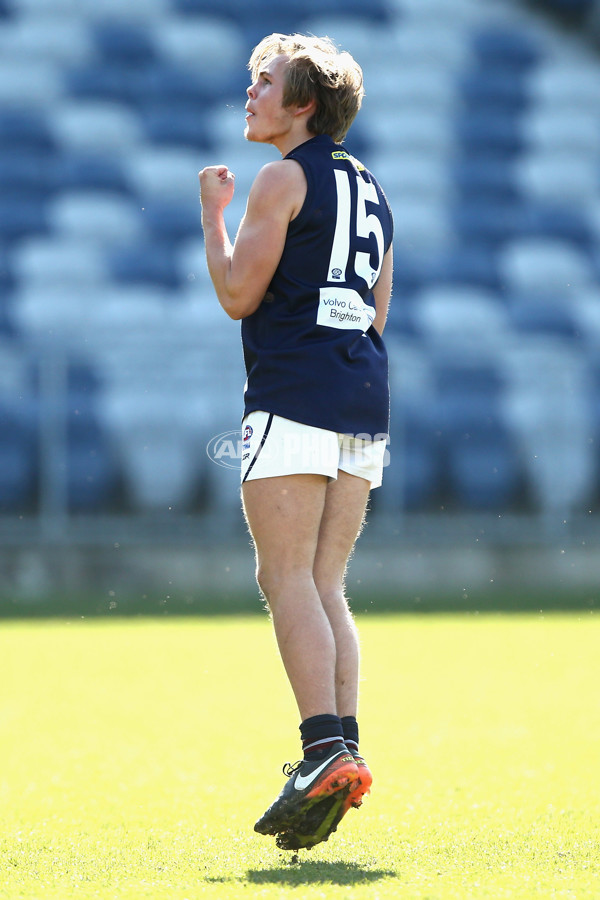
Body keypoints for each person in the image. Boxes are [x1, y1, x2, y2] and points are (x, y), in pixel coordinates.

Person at [199, 32, 393, 851]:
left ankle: (320, 751)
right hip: (363, 392)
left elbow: (240, 294)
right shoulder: (376, 189)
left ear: (304, 103)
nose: (251, 92)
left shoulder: (281, 176)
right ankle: (342, 749)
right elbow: (379, 311)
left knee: (284, 578)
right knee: (325, 582)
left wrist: (212, 213)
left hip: (294, 390)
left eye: (266, 81)